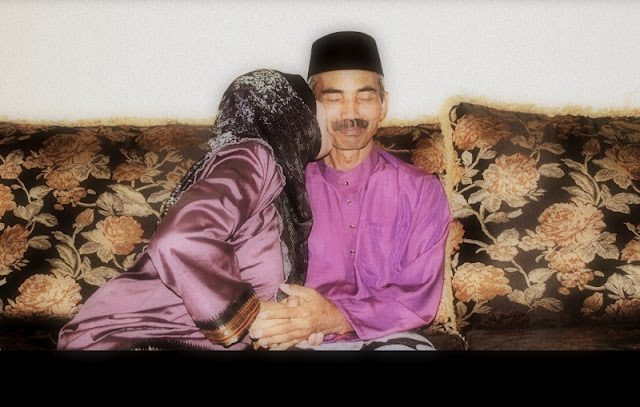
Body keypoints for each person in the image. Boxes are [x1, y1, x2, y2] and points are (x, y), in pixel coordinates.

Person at [56, 69, 332, 350]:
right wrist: (249, 314)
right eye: (320, 104)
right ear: (296, 117)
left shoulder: (271, 178)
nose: (333, 116)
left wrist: (287, 327)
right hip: (124, 339)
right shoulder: (252, 157)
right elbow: (180, 239)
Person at [250, 32, 452, 350]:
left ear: (383, 104)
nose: (350, 113)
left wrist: (333, 317)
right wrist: (287, 319)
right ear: (311, 108)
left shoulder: (421, 191)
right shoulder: (279, 186)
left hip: (390, 338)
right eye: (334, 98)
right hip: (298, 339)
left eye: (365, 97)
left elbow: (417, 297)